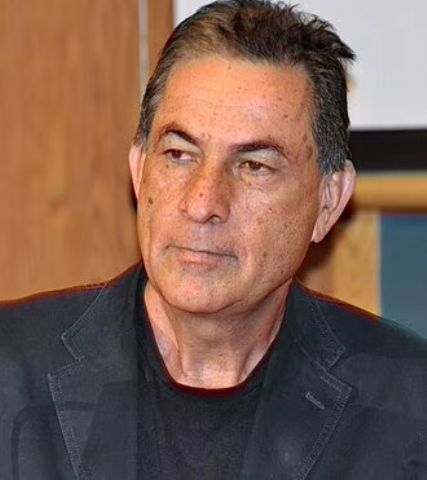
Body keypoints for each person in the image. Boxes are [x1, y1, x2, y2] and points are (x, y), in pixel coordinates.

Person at [1, 1, 426, 479]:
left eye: (254, 166)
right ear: (139, 171)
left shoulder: (411, 409)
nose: (203, 203)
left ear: (328, 202)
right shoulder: (10, 372)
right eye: (179, 155)